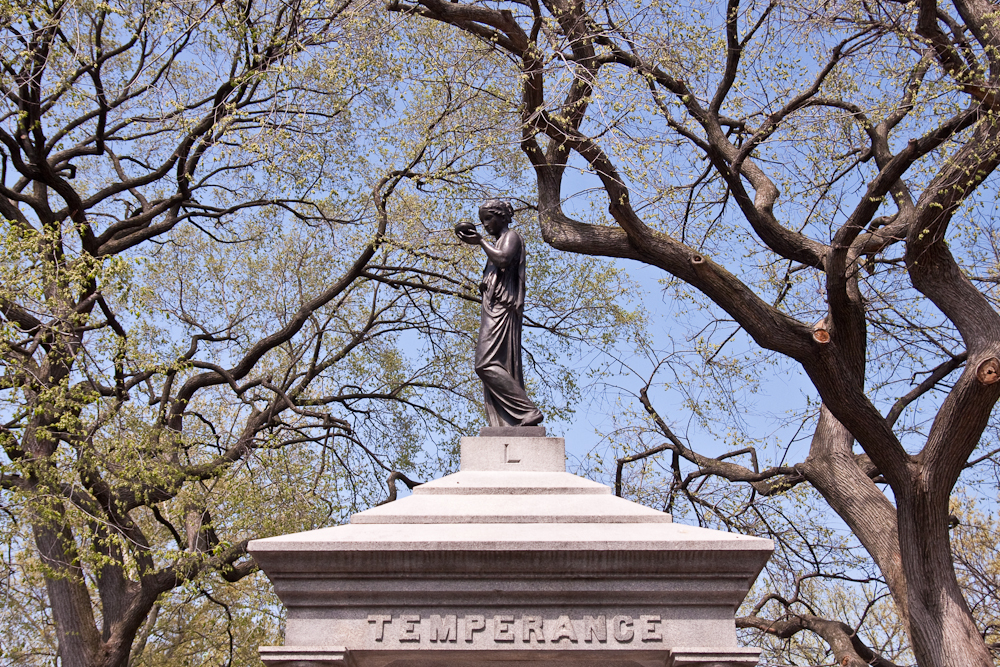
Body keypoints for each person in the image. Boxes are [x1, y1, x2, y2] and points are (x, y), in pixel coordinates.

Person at [455, 200, 544, 427]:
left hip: (503, 308)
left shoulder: (511, 236)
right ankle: (514, 417)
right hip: (493, 307)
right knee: (493, 364)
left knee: (484, 364)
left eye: (488, 218)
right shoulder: (498, 242)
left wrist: (480, 241)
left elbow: (503, 259)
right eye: (482, 220)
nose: (485, 224)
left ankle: (528, 410)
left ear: (502, 216)